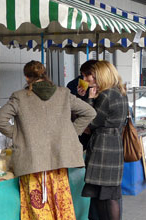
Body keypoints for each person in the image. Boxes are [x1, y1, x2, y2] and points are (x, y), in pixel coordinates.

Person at [0, 60, 96, 220]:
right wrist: (71, 133)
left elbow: (1, 119)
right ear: (45, 74)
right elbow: (89, 112)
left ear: (27, 77)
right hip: (59, 160)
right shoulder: (63, 94)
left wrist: (18, 135)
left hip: (32, 161)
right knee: (60, 203)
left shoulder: (20, 97)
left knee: (37, 207)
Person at [82, 60, 128, 220]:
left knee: (105, 197)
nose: (86, 78)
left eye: (89, 75)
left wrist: (89, 98)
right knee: (108, 195)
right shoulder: (119, 92)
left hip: (103, 149)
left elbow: (90, 122)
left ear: (100, 75)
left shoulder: (106, 96)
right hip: (113, 146)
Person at [67, 60, 98, 151]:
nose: (84, 79)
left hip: (92, 132)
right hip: (82, 131)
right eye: (83, 75)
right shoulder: (75, 85)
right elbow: (71, 108)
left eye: (85, 75)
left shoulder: (104, 89)